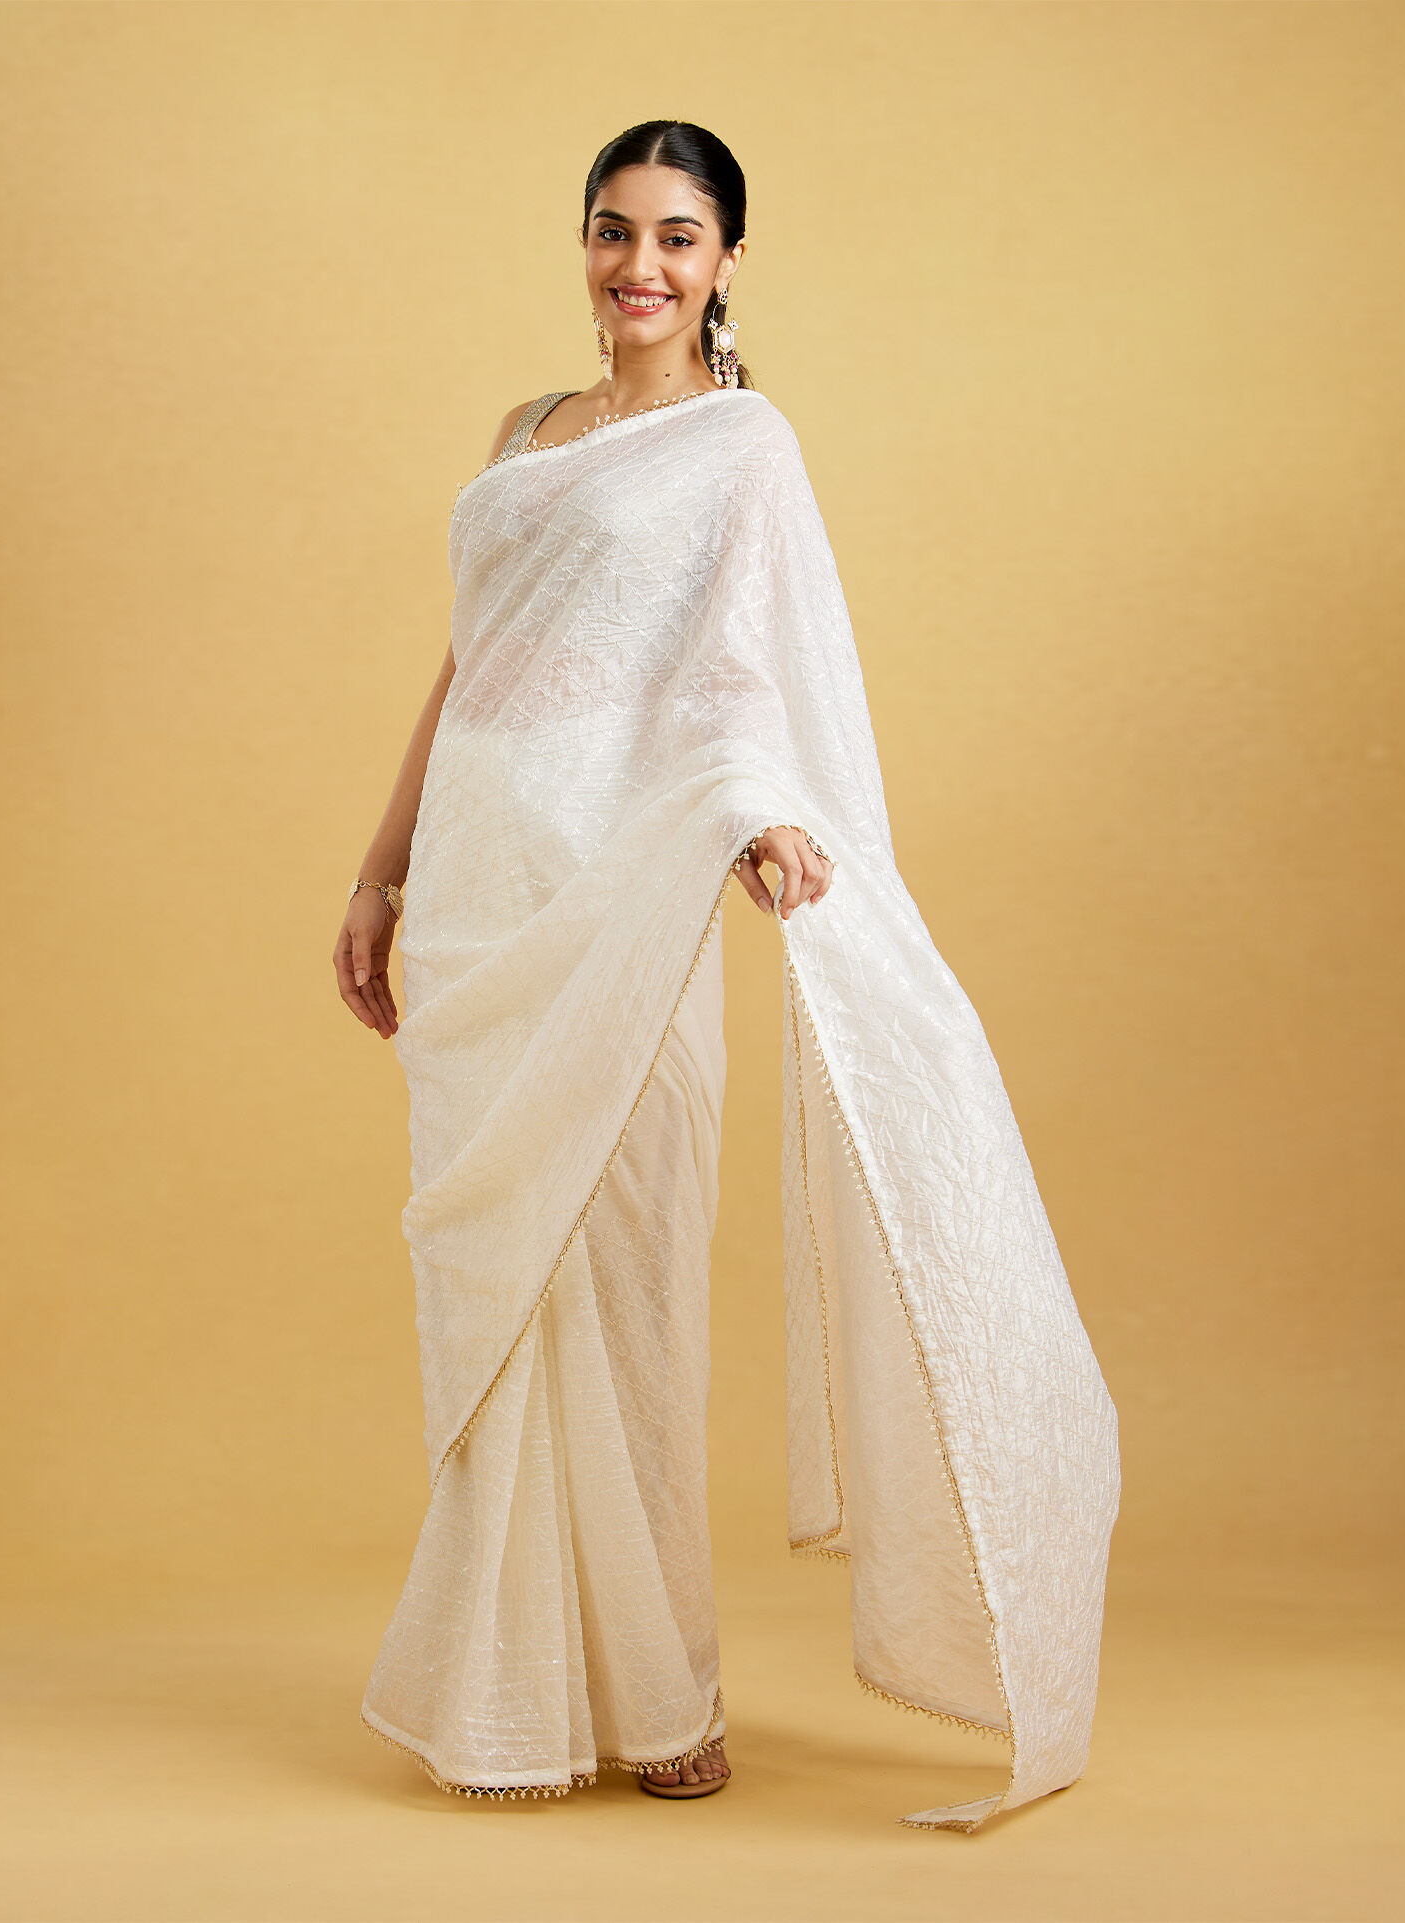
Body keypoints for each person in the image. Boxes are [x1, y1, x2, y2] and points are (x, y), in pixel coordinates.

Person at [332, 121, 1120, 1833]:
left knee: (625, 1279)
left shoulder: (741, 447)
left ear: (728, 262)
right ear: (584, 241)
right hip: (484, 886)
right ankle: (512, 1692)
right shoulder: (526, 437)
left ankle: (664, 1690)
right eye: (616, 233)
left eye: (680, 240)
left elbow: (747, 670)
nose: (642, 269)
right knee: (504, 1296)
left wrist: (763, 816)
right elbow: (472, 663)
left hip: (627, 897)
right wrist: (384, 862)